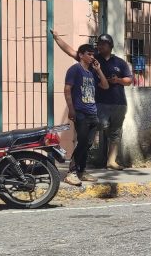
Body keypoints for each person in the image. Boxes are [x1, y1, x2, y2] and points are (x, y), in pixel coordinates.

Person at [52, 30, 133, 169]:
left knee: (115, 132)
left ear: (110, 46)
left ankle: (111, 161)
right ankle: (79, 163)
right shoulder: (92, 60)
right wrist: (57, 38)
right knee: (89, 135)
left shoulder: (120, 62)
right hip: (98, 104)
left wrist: (117, 80)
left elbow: (129, 80)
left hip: (119, 103)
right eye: (99, 44)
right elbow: (72, 52)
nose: (100, 46)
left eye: (103, 44)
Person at [63, 44, 110, 185]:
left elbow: (106, 85)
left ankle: (81, 171)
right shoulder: (75, 70)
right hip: (80, 112)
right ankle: (71, 173)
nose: (92, 57)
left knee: (88, 143)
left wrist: (99, 70)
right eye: (89, 54)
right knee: (82, 142)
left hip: (92, 113)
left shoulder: (92, 73)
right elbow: (67, 90)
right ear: (81, 55)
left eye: (93, 54)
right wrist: (71, 109)